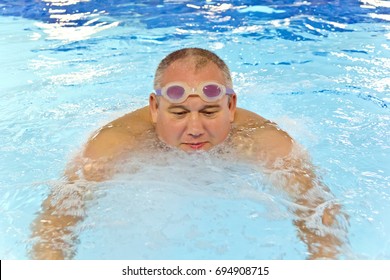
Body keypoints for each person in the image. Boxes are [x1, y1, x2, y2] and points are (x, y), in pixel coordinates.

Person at [30, 47, 348, 260]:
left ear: (231, 106)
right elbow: (56, 219)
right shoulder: (116, 142)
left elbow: (319, 212)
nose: (194, 129)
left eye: (209, 112)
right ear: (154, 109)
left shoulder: (264, 139)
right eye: (179, 114)